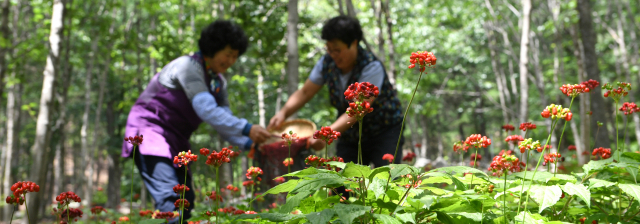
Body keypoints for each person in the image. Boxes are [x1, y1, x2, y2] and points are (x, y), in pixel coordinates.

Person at [121, 20, 272, 222]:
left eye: (235, 56)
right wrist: (247, 128)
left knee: (186, 199)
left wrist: (249, 143)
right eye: (228, 53)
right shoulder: (187, 66)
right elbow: (206, 109)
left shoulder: (218, 83)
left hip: (176, 141)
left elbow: (223, 122)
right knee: (170, 200)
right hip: (149, 132)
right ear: (213, 47)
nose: (231, 60)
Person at [268, 15, 404, 167]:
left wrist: (326, 134)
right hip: (350, 136)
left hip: (384, 132)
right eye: (329, 50)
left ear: (354, 43)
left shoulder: (371, 66)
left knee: (386, 180)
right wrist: (283, 113)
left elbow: (358, 109)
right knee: (343, 183)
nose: (333, 55)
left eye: (337, 50)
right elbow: (305, 92)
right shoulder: (326, 62)